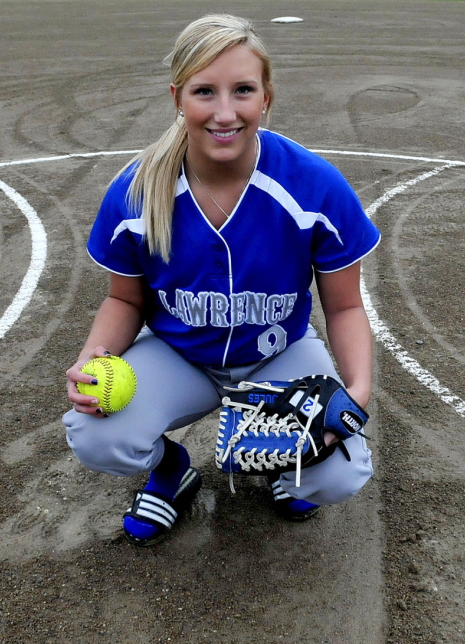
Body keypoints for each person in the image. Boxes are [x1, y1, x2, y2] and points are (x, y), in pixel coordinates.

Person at [63, 14, 379, 547]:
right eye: (205, 91)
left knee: (339, 472)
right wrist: (92, 359)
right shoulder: (135, 191)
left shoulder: (314, 185)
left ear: (266, 98)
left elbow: (345, 309)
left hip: (278, 356)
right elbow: (124, 300)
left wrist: (357, 394)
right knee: (97, 435)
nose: (225, 112)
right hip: (180, 357)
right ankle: (172, 470)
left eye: (243, 90)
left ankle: (291, 473)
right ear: (178, 98)